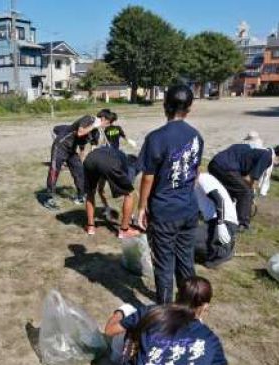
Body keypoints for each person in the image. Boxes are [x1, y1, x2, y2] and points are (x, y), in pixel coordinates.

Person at [105, 276, 234, 365]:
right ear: (205, 306)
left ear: (177, 295)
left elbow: (110, 330)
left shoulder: (152, 313)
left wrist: (121, 313)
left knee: (134, 333)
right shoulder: (209, 339)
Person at [137, 84, 204, 304]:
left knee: (164, 264)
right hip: (188, 209)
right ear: (189, 108)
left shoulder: (156, 138)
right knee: (186, 260)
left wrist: (141, 207)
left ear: (165, 105)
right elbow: (195, 173)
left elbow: (148, 177)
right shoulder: (196, 137)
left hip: (164, 211)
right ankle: (190, 307)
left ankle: (166, 312)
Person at [208, 141, 279, 232]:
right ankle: (242, 225)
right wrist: (251, 195)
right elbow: (249, 179)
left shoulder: (257, 150)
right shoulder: (267, 156)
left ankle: (220, 215)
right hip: (226, 168)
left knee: (232, 191)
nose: (278, 166)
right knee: (245, 192)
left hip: (214, 164)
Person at [42, 109, 114, 210]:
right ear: (102, 119)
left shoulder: (96, 133)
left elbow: (92, 147)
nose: (108, 126)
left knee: (79, 170)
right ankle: (49, 198)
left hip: (71, 150)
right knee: (54, 171)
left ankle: (81, 196)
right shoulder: (88, 119)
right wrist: (94, 125)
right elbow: (80, 133)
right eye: (108, 123)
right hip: (61, 146)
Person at [84, 146, 140, 239]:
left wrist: (106, 205)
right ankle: (124, 230)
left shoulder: (114, 153)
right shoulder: (126, 163)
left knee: (90, 193)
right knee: (129, 194)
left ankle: (90, 227)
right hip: (107, 163)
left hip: (90, 159)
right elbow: (128, 188)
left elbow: (101, 182)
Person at [194, 173, 238, 268]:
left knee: (185, 239)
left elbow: (219, 200)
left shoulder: (203, 179)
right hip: (211, 223)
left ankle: (223, 251)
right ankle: (218, 249)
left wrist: (221, 224)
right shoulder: (193, 188)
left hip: (225, 222)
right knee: (184, 238)